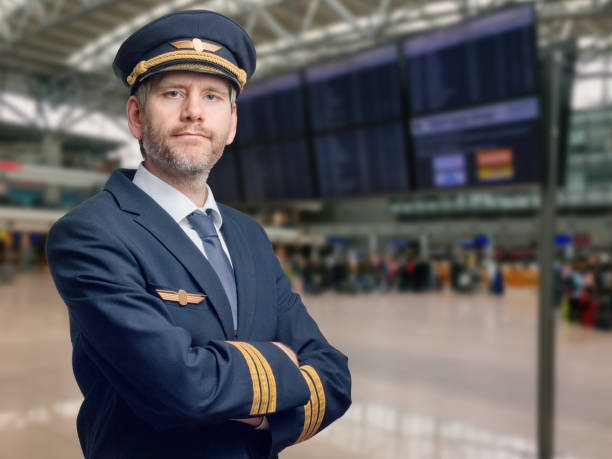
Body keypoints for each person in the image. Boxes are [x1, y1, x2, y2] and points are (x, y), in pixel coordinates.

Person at [46, 10, 351, 459]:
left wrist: (263, 414)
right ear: (135, 116)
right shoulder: (90, 234)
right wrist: (284, 367)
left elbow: (335, 377)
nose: (193, 111)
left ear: (231, 124)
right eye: (173, 93)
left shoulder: (249, 235)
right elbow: (178, 386)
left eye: (212, 96)